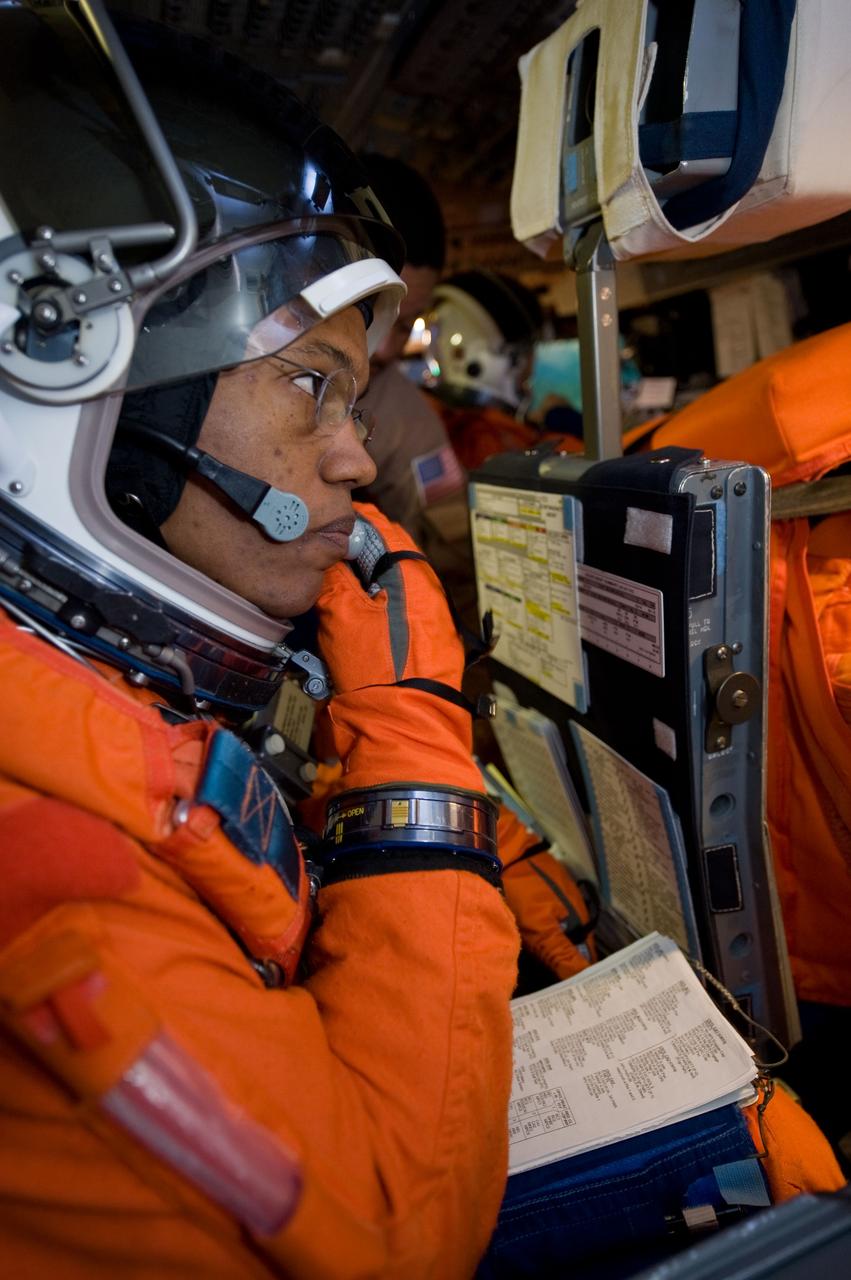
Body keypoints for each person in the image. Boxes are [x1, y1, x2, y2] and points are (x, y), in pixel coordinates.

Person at [0, 9, 841, 1279]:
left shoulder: (91, 697)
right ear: (94, 406)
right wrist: (401, 717)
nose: (352, 454)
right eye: (312, 385)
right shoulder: (51, 866)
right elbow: (394, 1232)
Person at [355, 152, 467, 545]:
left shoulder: (410, 423)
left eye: (404, 325)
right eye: (369, 312)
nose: (385, 348)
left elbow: (445, 541)